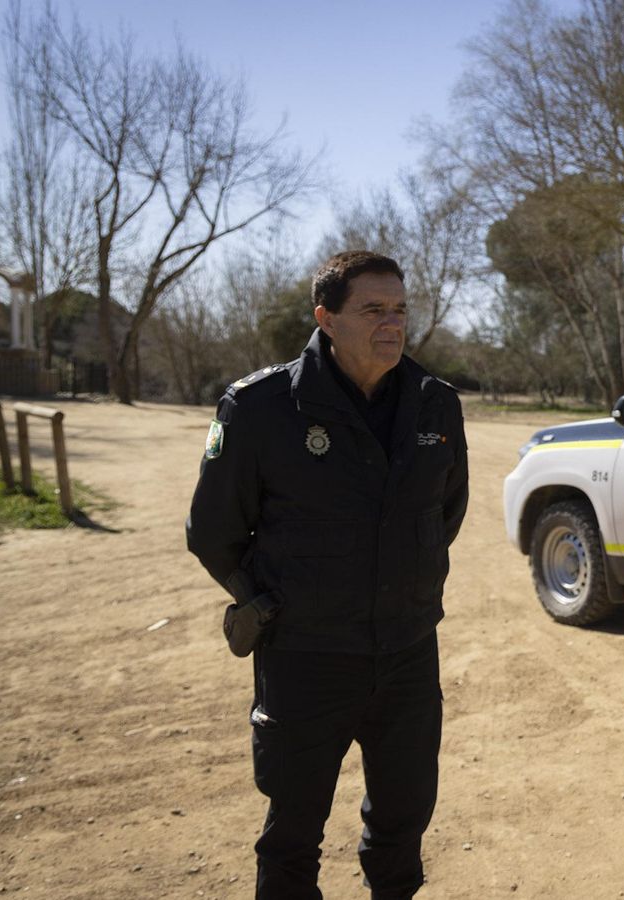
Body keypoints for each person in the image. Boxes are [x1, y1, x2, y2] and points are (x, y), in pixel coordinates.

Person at [187, 250, 469, 899]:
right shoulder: (261, 408)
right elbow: (212, 533)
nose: (392, 324)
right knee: (292, 835)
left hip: (406, 654)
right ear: (326, 318)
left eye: (399, 309)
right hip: (306, 658)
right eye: (373, 310)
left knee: (403, 825)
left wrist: (399, 581)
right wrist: (266, 603)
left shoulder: (435, 404)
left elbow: (446, 513)